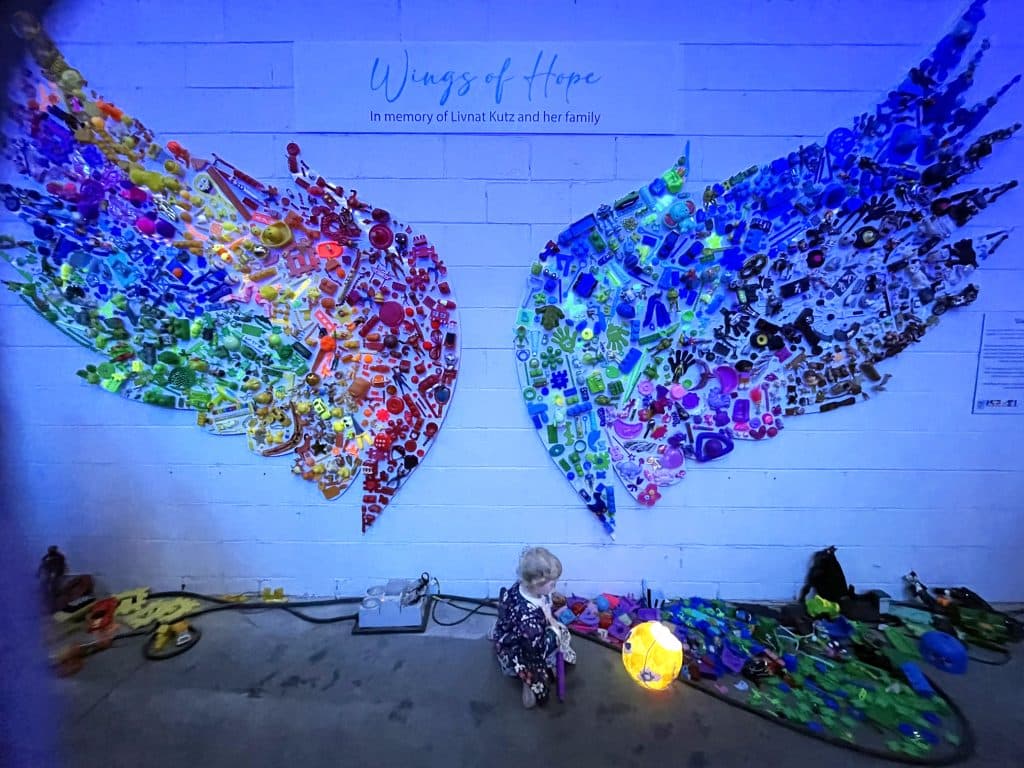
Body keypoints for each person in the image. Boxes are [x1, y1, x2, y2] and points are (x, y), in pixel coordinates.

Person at [490, 547, 576, 708]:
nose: (554, 588)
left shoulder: (520, 587)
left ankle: (498, 637)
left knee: (546, 632)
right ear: (536, 584)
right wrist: (551, 621)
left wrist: (547, 601)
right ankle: (528, 680)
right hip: (526, 649)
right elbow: (539, 648)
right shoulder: (528, 622)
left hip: (509, 631)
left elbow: (507, 609)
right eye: (552, 585)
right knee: (562, 633)